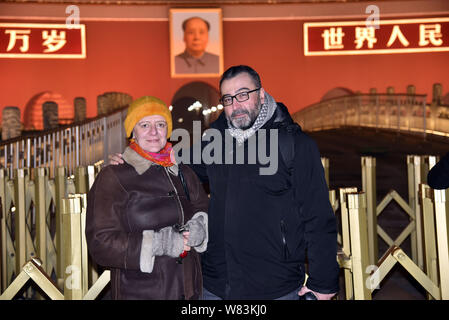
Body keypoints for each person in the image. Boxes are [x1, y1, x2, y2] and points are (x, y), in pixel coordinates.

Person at [110, 66, 339, 300]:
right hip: (216, 285)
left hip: (274, 286)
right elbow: (174, 164)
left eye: (243, 94)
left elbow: (318, 216)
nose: (235, 105)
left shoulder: (294, 145)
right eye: (228, 99)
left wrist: (323, 283)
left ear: (261, 95)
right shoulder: (215, 143)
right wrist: (132, 160)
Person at [86, 95, 209, 300]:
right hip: (140, 292)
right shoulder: (114, 176)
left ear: (167, 131)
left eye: (160, 124)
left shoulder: (183, 172)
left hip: (189, 292)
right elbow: (101, 243)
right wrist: (160, 243)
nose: (153, 132)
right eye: (144, 125)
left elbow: (202, 208)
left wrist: (200, 228)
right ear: (132, 132)